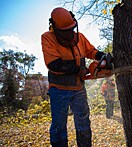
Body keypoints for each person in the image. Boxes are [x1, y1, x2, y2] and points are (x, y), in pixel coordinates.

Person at [41, 7, 112, 147]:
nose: (70, 33)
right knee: (59, 125)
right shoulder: (48, 38)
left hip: (79, 88)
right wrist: (78, 69)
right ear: (55, 28)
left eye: (71, 28)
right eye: (66, 30)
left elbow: (91, 51)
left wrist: (103, 57)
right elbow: (54, 64)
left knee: (83, 122)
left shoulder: (79, 37)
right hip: (59, 89)